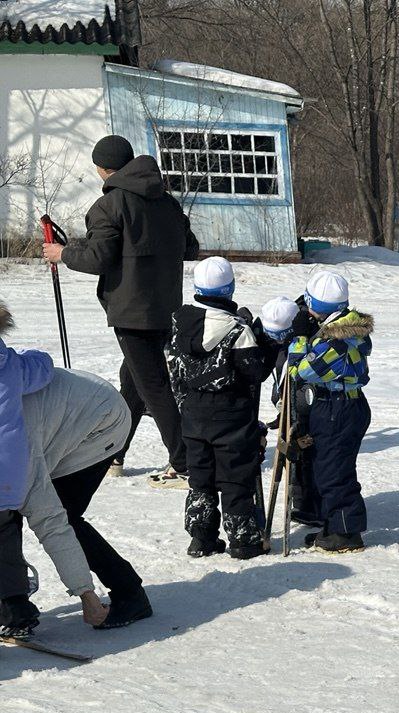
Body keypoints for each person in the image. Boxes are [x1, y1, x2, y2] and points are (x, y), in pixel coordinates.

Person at [41, 134, 200, 488]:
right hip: (166, 308)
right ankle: (115, 452)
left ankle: (185, 461)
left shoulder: (109, 206)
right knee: (134, 381)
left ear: (102, 168)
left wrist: (62, 254)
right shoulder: (167, 202)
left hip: (132, 312)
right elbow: (189, 247)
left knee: (154, 385)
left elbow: (100, 258)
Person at [14, 367, 153, 632]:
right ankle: (12, 599)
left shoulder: (17, 445)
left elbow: (51, 521)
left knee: (64, 512)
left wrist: (85, 593)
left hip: (102, 420)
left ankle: (129, 593)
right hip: (67, 408)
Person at [169, 258, 278, 560]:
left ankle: (201, 538)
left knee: (200, 477)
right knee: (234, 478)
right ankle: (243, 541)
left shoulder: (180, 323)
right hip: (231, 417)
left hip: (193, 414)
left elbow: (175, 368)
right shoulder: (237, 331)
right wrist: (267, 345)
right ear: (229, 288)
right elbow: (254, 373)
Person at [284, 271, 373, 553]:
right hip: (343, 404)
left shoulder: (336, 341)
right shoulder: (343, 328)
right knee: (328, 466)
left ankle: (346, 532)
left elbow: (300, 371)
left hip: (338, 407)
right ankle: (334, 523)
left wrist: (299, 339)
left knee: (334, 471)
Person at [0, 305, 54, 637]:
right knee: (5, 539)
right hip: (7, 480)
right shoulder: (13, 366)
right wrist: (28, 354)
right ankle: (17, 608)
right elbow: (43, 366)